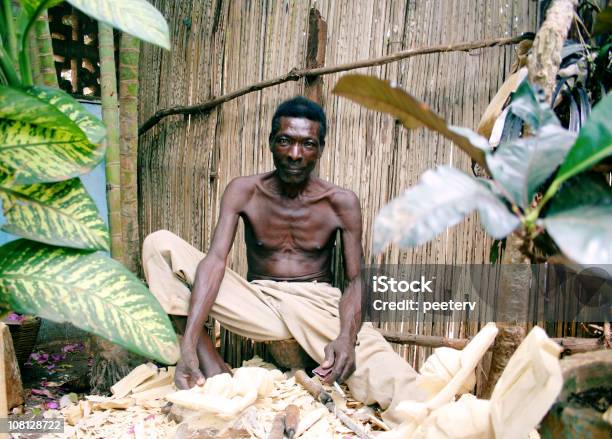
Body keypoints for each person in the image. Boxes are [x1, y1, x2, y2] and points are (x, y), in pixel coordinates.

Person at [142, 96, 425, 425]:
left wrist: (347, 338)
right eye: (285, 141)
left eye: (307, 144)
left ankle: (436, 423)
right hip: (259, 300)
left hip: (318, 304)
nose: (294, 154)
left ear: (320, 148)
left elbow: (356, 280)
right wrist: (189, 343)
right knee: (158, 245)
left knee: (399, 386)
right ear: (271, 143)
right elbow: (215, 260)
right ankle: (211, 364)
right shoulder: (244, 191)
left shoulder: (341, 202)